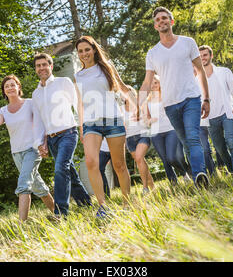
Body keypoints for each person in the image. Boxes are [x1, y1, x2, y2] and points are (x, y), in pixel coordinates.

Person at [138, 6, 210, 189]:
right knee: (186, 141)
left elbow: (200, 71)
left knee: (193, 138)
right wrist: (138, 105)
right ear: (155, 26)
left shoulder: (187, 42)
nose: (161, 21)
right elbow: (147, 83)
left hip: (191, 98)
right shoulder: (153, 53)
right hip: (170, 105)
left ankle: (200, 175)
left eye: (164, 18)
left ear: (171, 21)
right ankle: (196, 173)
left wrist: (206, 99)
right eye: (158, 20)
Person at [0, 75, 54, 222]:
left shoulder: (30, 103)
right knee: (38, 186)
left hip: (33, 150)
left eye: (12, 85)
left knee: (23, 185)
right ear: (4, 91)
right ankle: (58, 212)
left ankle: (21, 225)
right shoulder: (3, 110)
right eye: (7, 86)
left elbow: (42, 123)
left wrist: (44, 142)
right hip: (16, 153)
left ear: (19, 87)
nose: (10, 88)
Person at [74, 35, 133, 217]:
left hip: (113, 120)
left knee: (119, 165)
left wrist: (135, 106)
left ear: (94, 49)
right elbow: (80, 103)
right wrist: (81, 127)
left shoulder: (107, 67)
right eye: (80, 51)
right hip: (91, 123)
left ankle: (127, 204)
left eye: (87, 49)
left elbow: (123, 88)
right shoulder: (78, 76)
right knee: (91, 162)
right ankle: (103, 207)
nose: (84, 54)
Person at [31, 53, 92, 218]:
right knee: (69, 171)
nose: (42, 68)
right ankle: (86, 203)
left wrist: (83, 127)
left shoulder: (63, 82)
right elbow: (38, 121)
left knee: (60, 169)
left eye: (45, 64)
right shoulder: (36, 94)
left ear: (51, 66)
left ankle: (61, 212)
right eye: (38, 65)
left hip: (68, 133)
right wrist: (40, 143)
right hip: (51, 139)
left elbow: (77, 104)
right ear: (36, 69)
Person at [198, 45, 233, 177]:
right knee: (220, 149)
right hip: (210, 118)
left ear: (211, 56)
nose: (203, 58)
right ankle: (232, 171)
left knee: (232, 143)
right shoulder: (196, 79)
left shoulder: (224, 72)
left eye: (205, 55)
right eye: (200, 56)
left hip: (226, 113)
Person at [142, 74, 191, 185]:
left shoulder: (167, 96)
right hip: (156, 133)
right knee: (164, 160)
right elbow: (145, 120)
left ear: (160, 84)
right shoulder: (146, 102)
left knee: (172, 157)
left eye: (156, 83)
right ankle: (173, 182)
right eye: (151, 83)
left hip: (170, 129)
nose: (154, 85)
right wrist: (150, 121)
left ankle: (185, 172)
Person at [122, 86, 155, 194]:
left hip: (142, 134)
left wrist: (145, 118)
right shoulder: (121, 109)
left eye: (129, 92)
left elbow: (148, 118)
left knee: (139, 158)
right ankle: (153, 187)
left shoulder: (140, 105)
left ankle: (145, 187)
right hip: (129, 139)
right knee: (140, 162)